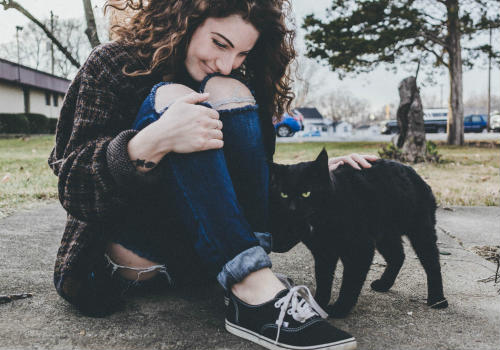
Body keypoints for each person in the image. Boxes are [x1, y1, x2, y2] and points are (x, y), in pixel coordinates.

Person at [48, 1, 377, 349]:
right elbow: (74, 187)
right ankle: (253, 287)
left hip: (208, 261)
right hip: (135, 260)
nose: (226, 63)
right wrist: (153, 141)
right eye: (220, 43)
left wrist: (314, 176)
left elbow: (258, 202)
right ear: (185, 20)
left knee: (226, 89)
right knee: (175, 97)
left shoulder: (238, 82)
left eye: (242, 53)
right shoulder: (114, 64)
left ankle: (251, 279)